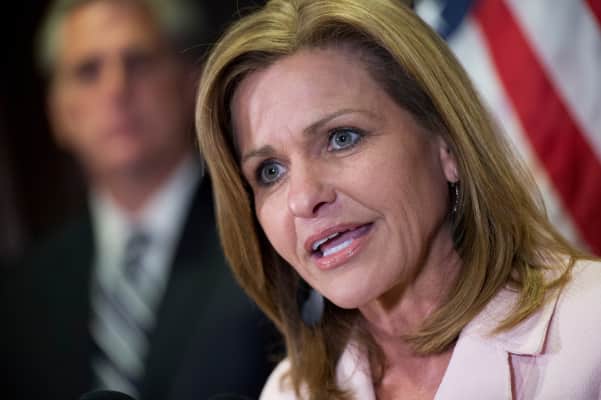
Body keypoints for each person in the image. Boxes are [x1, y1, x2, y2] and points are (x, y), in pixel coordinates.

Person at [194, 0, 601, 399]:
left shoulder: (591, 332)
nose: (303, 199)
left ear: (447, 144)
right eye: (270, 171)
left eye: (342, 138)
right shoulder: (290, 393)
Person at [0, 1, 278, 399]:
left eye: (138, 62)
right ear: (58, 112)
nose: (116, 90)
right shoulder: (20, 295)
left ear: (190, 83)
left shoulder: (266, 236)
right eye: (88, 71)